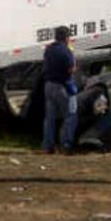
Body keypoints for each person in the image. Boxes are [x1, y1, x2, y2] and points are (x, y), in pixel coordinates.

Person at [41, 26, 78, 154]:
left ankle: (48, 146)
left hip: (49, 85)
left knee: (50, 118)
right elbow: (71, 69)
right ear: (67, 38)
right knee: (70, 116)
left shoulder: (49, 49)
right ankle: (66, 145)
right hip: (63, 86)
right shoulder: (67, 51)